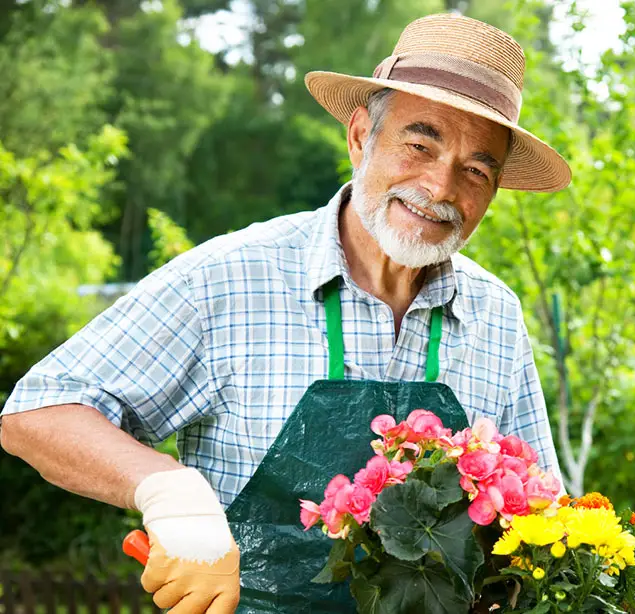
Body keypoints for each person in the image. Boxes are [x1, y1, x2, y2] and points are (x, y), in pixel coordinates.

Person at [0, 12, 571, 614]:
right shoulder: (229, 278)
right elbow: (38, 411)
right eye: (419, 144)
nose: (440, 187)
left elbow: (540, 514)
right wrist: (170, 491)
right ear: (359, 137)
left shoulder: (495, 316)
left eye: (476, 169)